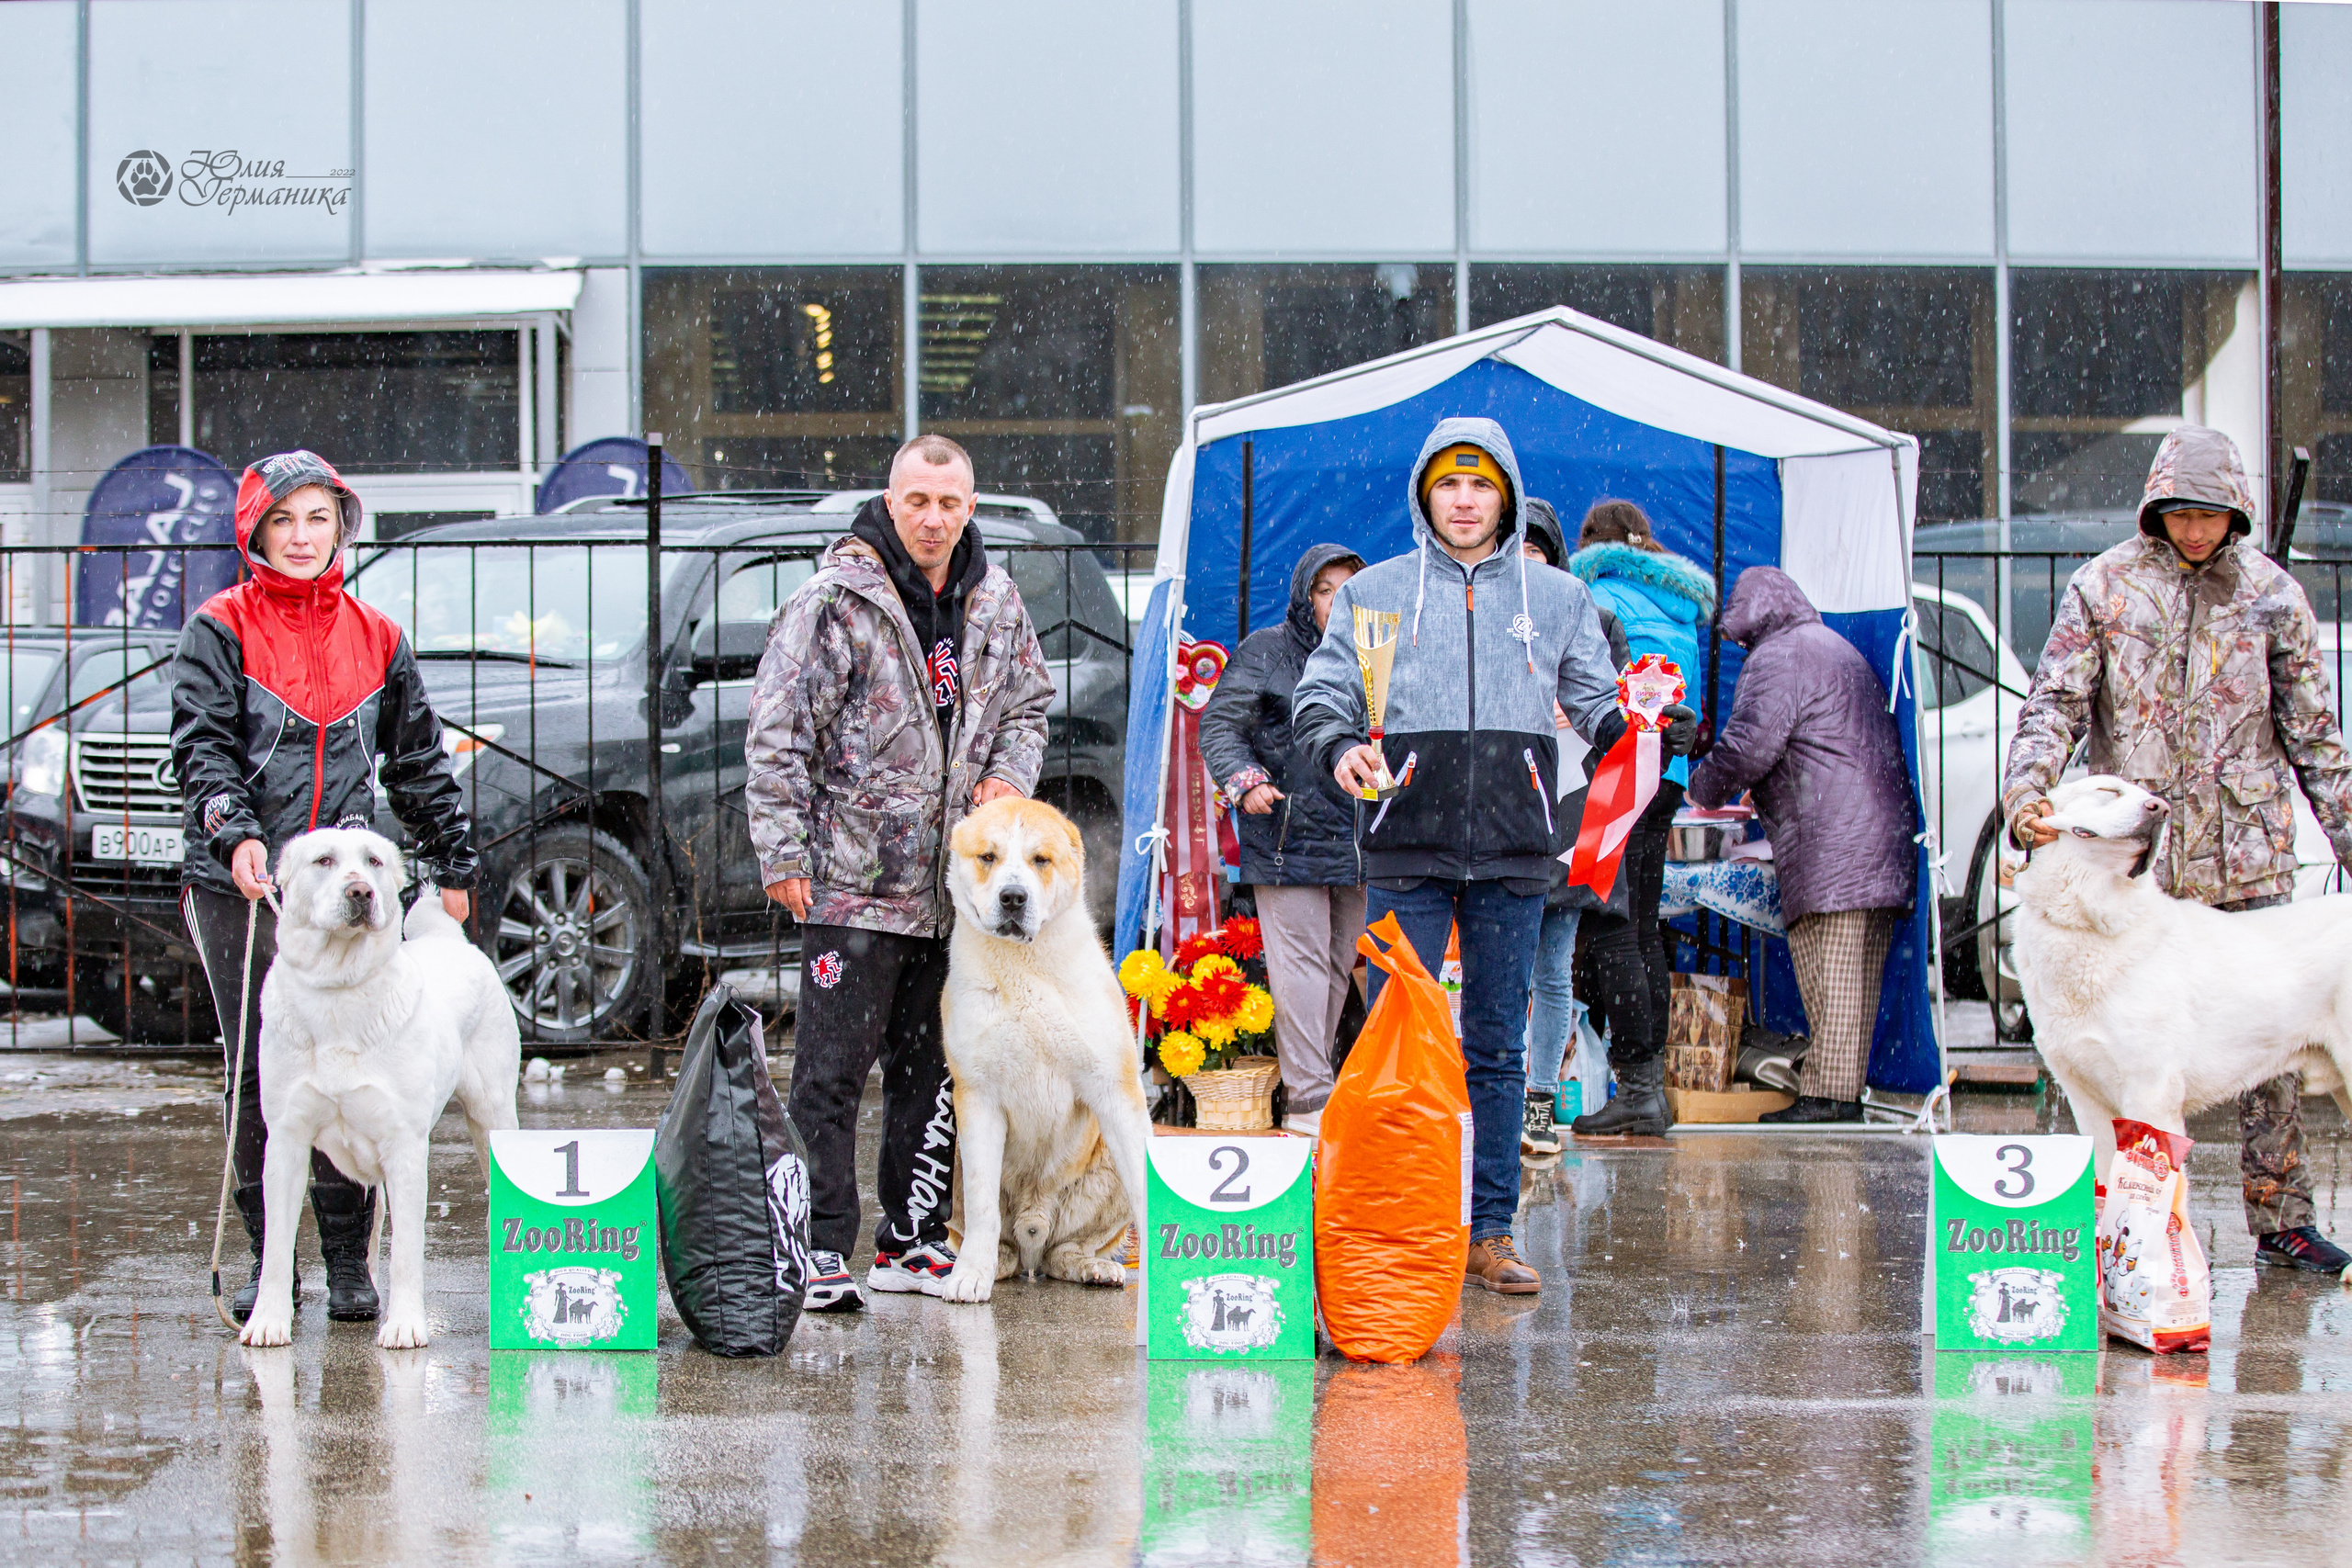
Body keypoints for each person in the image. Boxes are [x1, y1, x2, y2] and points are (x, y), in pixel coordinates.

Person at [1292, 418, 1697, 1293]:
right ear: (1424, 496)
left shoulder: (1554, 598)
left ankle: (1490, 1231)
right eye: (1449, 484)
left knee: (1496, 1050)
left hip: (1517, 851)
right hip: (1403, 844)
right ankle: (1401, 1224)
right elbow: (1322, 692)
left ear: (1506, 495)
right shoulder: (1378, 594)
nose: (1465, 499)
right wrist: (1336, 746)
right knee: (1400, 1039)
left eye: (1481, 485)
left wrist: (1641, 726)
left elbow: (1595, 702)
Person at [2004, 425, 2352, 1277]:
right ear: (2156, 508)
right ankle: (2130, 1228)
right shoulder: (2103, 587)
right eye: (2182, 513)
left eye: (2212, 514)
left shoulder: (2274, 595)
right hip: (2135, 871)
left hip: (2249, 852)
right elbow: (2053, 703)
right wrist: (2027, 795)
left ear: (2236, 512)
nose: (2196, 530)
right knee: (2117, 1051)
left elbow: (2315, 736)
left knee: (2266, 1050)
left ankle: (2282, 1219)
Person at [745, 434, 1055, 1311]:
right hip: (850, 880)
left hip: (951, 892)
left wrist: (1009, 780)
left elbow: (1028, 704)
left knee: (931, 1070)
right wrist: (783, 851)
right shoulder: (834, 600)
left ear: (970, 505)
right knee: (831, 1072)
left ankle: (910, 1239)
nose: (933, 518)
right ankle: (816, 1247)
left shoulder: (993, 598)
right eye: (917, 500)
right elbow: (778, 729)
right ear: (890, 497)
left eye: (950, 503)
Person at [171, 449, 477, 1325]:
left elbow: (418, 760)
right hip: (247, 885)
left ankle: (350, 1262)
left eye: (318, 518)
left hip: (347, 888)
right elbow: (202, 747)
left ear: (341, 524)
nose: (302, 537)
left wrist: (452, 865)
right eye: (283, 520)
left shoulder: (377, 634)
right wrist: (234, 832)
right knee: (268, 1075)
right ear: (255, 530)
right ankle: (273, 1269)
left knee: (362, 1062)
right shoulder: (218, 627)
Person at [1687, 566, 1914, 1123]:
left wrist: (1700, 788)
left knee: (1829, 975)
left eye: (1740, 637)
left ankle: (1825, 1098)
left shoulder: (1779, 656)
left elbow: (1749, 746)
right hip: (1880, 836)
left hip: (1831, 840)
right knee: (1856, 984)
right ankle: (1842, 1091)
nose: (1740, 647)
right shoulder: (1835, 647)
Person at [1197, 543, 1367, 1138]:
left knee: (1338, 964)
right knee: (1300, 966)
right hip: (1285, 832)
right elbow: (1220, 722)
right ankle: (1309, 1096)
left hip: (1357, 838)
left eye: (1349, 589)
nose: (1337, 601)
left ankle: (1313, 1086)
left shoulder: (1375, 654)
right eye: (1326, 590)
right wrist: (1245, 781)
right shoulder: (1266, 650)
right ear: (1304, 596)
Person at [1564, 501, 1719, 1138]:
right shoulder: (1682, 605)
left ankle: (1625, 1081)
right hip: (1667, 774)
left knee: (1608, 926)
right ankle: (1646, 1088)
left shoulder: (1589, 595)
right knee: (1643, 924)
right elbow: (1691, 703)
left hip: (1612, 768)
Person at [1515, 498, 1633, 1155]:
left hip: (1569, 813)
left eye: (1538, 551)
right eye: (1517, 551)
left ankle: (1538, 1101)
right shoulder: (1479, 617)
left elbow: (1615, 706)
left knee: (1554, 965)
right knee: (1499, 969)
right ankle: (1495, 1098)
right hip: (1500, 814)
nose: (1527, 564)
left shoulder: (1597, 619)